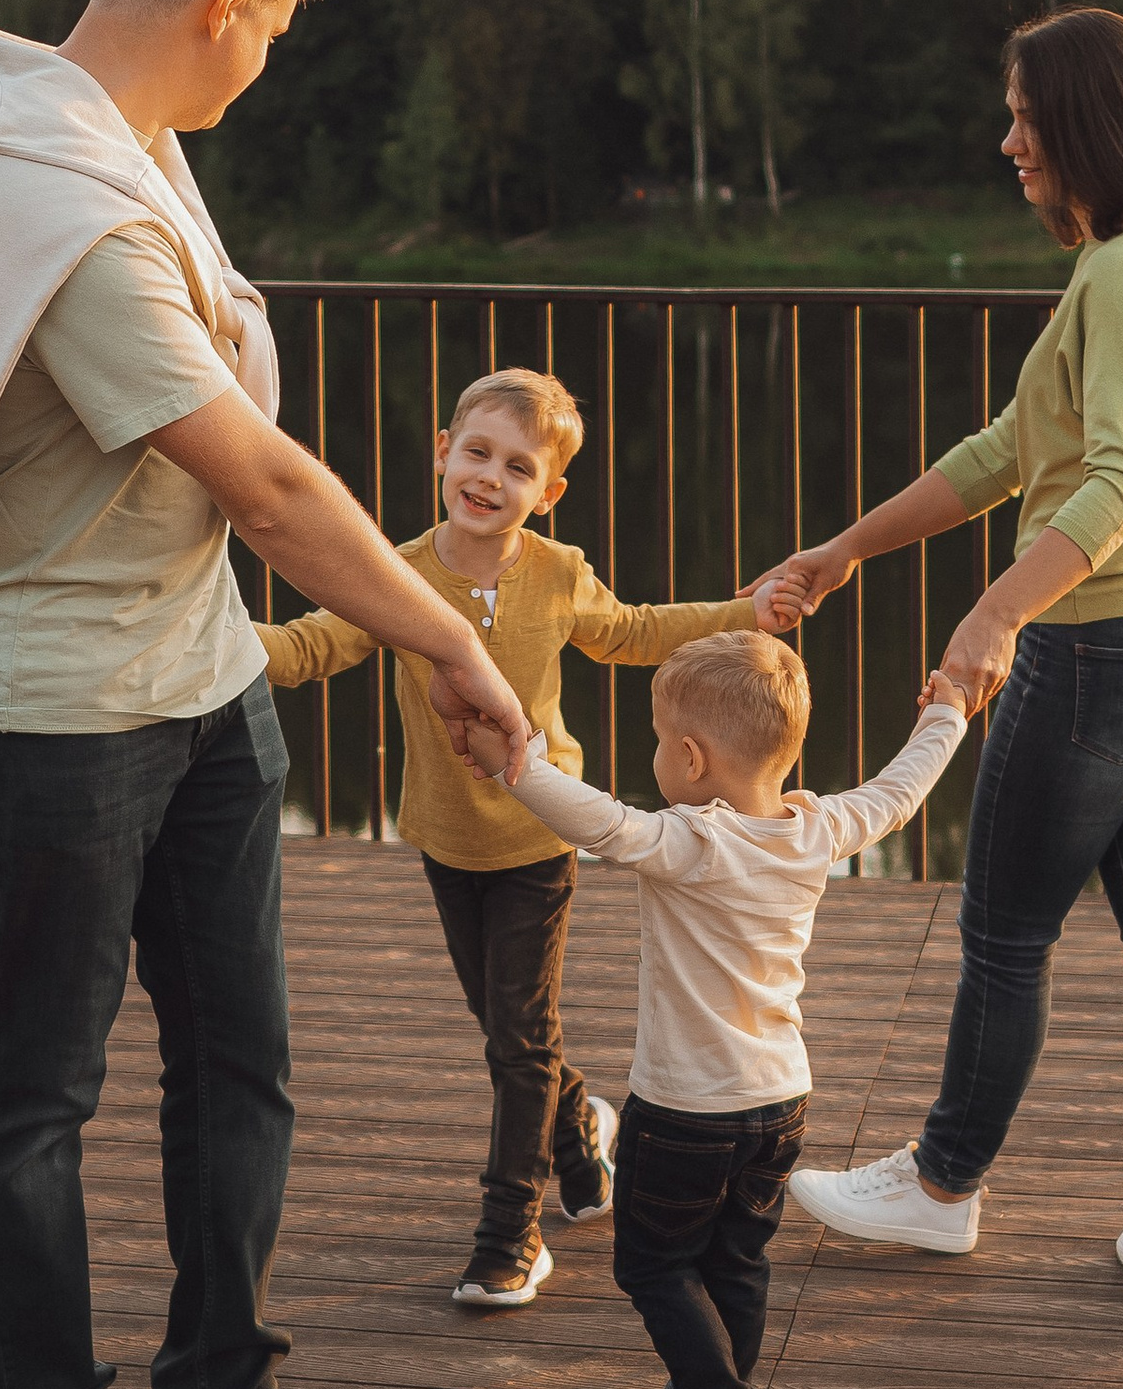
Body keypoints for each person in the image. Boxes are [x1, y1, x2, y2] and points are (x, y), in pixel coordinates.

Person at [0, 0, 530, 1389]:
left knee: (241, 1066)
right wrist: (456, 641)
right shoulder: (58, 196)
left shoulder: (126, 143)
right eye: (270, 33)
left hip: (197, 681)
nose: (266, 66)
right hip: (50, 714)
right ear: (228, 0)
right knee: (40, 1089)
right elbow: (267, 486)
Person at [766, 7, 1123, 1318]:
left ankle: (941, 1187)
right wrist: (846, 546)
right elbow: (1006, 448)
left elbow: (1115, 481)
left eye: (1026, 118)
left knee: (1002, 933)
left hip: (1109, 654)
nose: (1008, 141)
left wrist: (992, 619)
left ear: (1092, 123)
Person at [259, 365, 802, 1312]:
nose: (489, 478)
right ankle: (579, 1141)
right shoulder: (396, 571)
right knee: (515, 1030)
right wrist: (208, 636)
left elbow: (632, 631)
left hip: (539, 842)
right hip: (443, 837)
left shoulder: (557, 573)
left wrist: (742, 613)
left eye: (517, 467)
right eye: (477, 454)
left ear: (546, 492)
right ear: (443, 453)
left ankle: (512, 1230)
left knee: (515, 1040)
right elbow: (311, 646)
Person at [456, 632, 969, 1389]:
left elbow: (600, 821)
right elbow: (899, 793)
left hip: (687, 1108)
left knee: (653, 1263)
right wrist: (947, 713)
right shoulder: (816, 827)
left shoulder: (692, 842)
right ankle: (712, 1387)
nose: (657, 756)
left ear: (691, 759)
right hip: (781, 1100)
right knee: (736, 1257)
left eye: (660, 741)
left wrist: (517, 760)